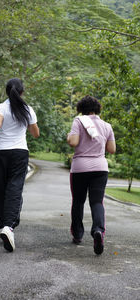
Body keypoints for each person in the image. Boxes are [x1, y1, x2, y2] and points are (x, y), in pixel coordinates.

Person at [0, 78, 39, 252]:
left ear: (7, 91)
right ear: (22, 92)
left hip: (2, 151)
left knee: (0, 188)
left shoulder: (2, 107)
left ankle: (1, 225)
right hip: (19, 152)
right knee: (15, 188)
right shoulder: (27, 109)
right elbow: (35, 133)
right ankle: (8, 227)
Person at [67, 95, 116, 255]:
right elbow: (112, 149)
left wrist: (69, 137)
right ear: (97, 109)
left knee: (78, 202)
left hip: (80, 168)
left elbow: (73, 142)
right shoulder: (107, 126)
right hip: (100, 168)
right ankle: (98, 231)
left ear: (81, 109)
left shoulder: (78, 121)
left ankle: (78, 234)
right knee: (97, 202)